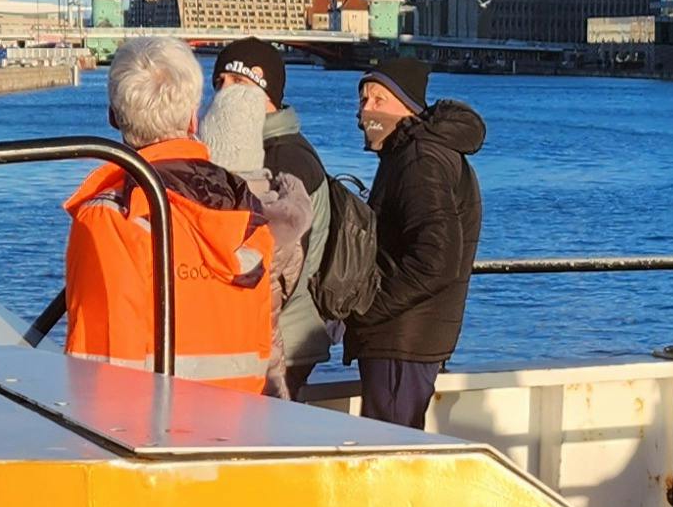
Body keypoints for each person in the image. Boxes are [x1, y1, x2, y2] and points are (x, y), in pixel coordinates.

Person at [60, 32, 283, 390]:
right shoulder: (246, 211)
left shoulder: (112, 218)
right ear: (194, 118)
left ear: (114, 116)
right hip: (238, 426)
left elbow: (98, 360)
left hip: (147, 432)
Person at [344, 47, 485, 428]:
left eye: (379, 100)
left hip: (401, 340)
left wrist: (369, 309)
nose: (365, 111)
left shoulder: (420, 159)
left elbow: (437, 258)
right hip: (407, 339)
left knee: (391, 450)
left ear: (407, 107)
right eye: (363, 99)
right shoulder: (412, 153)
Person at [211, 38, 339, 390]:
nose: (226, 92)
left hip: (283, 337)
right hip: (278, 333)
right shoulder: (268, 150)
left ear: (267, 91)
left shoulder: (284, 160)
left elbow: (280, 262)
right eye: (220, 82)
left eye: (239, 83)